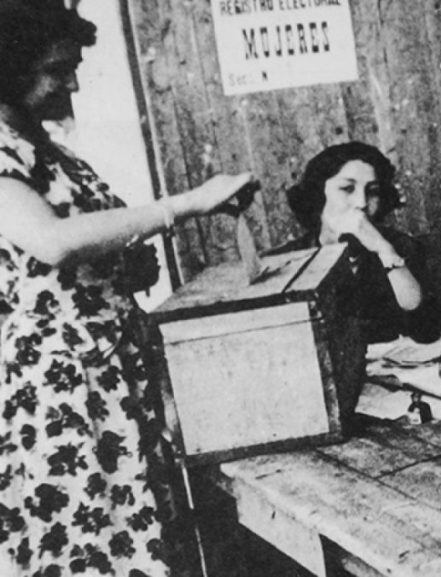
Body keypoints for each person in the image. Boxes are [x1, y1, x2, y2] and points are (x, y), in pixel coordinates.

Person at [0, 2, 256, 575]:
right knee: (90, 544)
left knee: (140, 540)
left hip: (114, 373)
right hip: (62, 388)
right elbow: (51, 242)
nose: (71, 84)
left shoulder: (51, 152)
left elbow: (80, 257)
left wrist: (125, 267)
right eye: (57, 70)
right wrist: (184, 205)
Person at [277, 142, 439, 343]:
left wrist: (384, 250)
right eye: (347, 189)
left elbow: (426, 331)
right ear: (318, 194)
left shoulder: (402, 247)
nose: (361, 202)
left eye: (372, 191)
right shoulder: (290, 260)